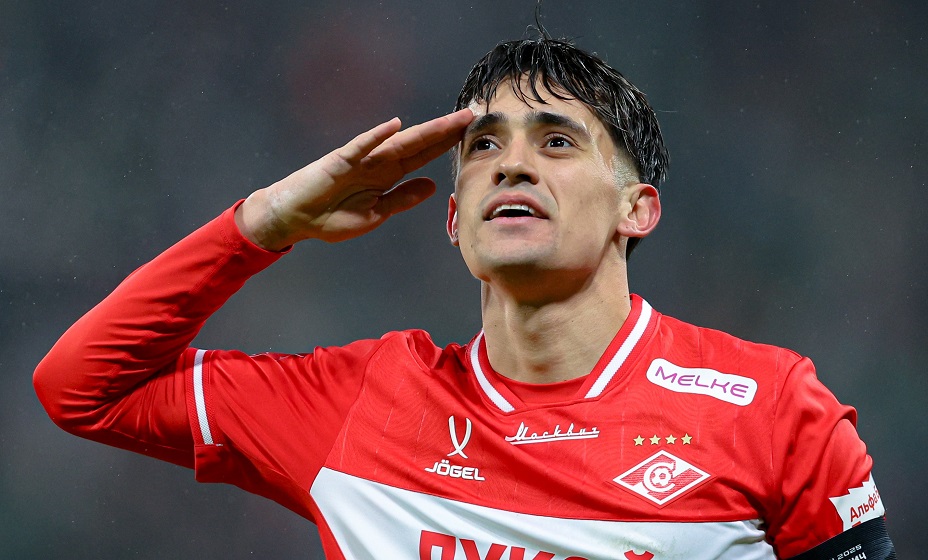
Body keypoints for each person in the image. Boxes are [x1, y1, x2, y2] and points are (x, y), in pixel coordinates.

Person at [34, 37, 895, 559]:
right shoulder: (360, 404)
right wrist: (264, 223)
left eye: (557, 141)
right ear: (453, 220)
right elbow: (81, 389)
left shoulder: (770, 409)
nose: (511, 163)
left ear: (637, 209)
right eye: (483, 146)